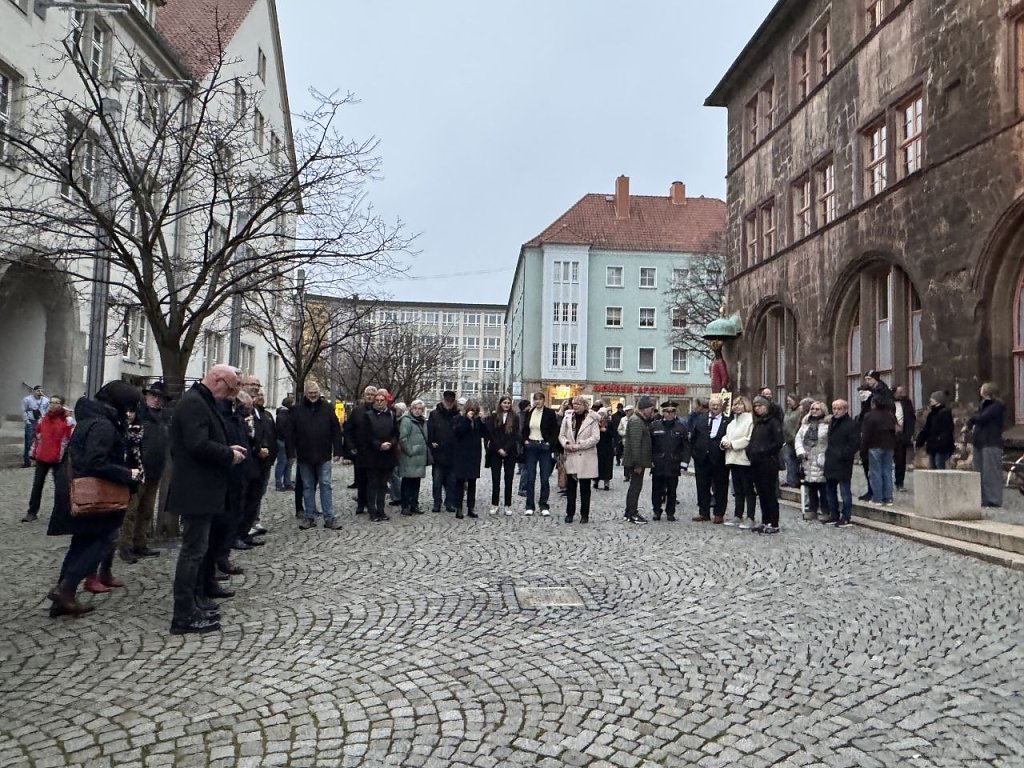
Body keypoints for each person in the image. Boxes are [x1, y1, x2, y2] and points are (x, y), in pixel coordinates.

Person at [46, 381, 140, 617]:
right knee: (102, 540)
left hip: (79, 488)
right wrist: (128, 473)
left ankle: (63, 595)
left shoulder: (91, 418)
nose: (129, 413)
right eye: (129, 407)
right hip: (94, 494)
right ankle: (65, 590)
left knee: (81, 542)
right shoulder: (103, 425)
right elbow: (95, 462)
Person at [168, 364, 246, 635]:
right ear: (218, 380)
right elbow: (197, 444)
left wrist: (226, 448)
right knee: (192, 552)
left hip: (202, 489)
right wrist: (228, 455)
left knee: (198, 551)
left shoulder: (201, 401)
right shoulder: (194, 403)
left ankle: (193, 603)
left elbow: (204, 440)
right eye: (231, 389)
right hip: (195, 490)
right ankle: (183, 614)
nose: (231, 395)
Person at [117, 382, 169, 562]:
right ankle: (125, 546)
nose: (156, 399)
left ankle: (140, 543)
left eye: (160, 397)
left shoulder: (163, 419)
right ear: (146, 396)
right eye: (153, 395)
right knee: (131, 511)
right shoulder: (137, 417)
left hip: (155, 471)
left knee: (146, 510)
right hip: (137, 471)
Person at [294, 380, 344, 530]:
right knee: (308, 486)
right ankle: (310, 517)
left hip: (324, 454)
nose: (313, 395)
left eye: (315, 393)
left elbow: (336, 430)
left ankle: (329, 518)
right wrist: (292, 451)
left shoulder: (327, 408)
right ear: (305, 393)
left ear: (319, 393)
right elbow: (291, 431)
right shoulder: (297, 410)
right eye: (310, 393)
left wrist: (338, 450)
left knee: (325, 485)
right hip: (304, 454)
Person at [22, 394, 73, 523]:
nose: (52, 405)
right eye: (51, 402)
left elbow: (70, 439)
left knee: (61, 488)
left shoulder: (68, 421)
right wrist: (33, 453)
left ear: (62, 405)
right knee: (37, 485)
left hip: (59, 459)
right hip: (42, 457)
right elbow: (37, 437)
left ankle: (61, 514)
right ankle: (32, 512)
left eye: (56, 402)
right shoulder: (42, 420)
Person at [558, 396, 601, 523]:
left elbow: (595, 438)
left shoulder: (592, 418)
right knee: (571, 487)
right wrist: (566, 443)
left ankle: (584, 514)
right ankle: (570, 513)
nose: (575, 406)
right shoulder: (568, 417)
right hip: (571, 455)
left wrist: (580, 445)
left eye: (578, 404)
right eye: (574, 403)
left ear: (584, 405)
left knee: (585, 488)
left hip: (585, 456)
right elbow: (561, 434)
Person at [361, 388, 399, 522]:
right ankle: (372, 511)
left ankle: (381, 510)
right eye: (376, 400)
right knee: (372, 485)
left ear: (385, 401)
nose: (378, 402)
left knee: (383, 485)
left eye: (381, 400)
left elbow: (396, 433)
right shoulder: (368, 416)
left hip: (387, 456)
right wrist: (379, 445)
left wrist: (391, 443)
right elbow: (366, 436)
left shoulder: (391, 415)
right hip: (373, 455)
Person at [690, 395, 731, 522]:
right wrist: (695, 453)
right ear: (709, 406)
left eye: (717, 405)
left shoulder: (727, 421)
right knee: (702, 486)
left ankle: (719, 513)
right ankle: (704, 513)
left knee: (720, 487)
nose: (715, 407)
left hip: (719, 459)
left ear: (721, 406)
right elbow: (693, 437)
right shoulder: (700, 419)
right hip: (702, 459)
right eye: (713, 405)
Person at [649, 401, 691, 522]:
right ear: (663, 412)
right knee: (657, 490)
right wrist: (649, 460)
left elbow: (686, 447)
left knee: (672, 490)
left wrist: (684, 463)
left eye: (672, 411)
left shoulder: (681, 427)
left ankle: (670, 512)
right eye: (667, 411)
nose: (670, 414)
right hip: (658, 463)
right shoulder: (654, 426)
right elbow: (649, 445)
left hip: (674, 463)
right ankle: (657, 511)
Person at [748, 396, 784, 533]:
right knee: (761, 493)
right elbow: (753, 440)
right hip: (756, 462)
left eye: (760, 406)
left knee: (770, 493)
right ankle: (765, 520)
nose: (757, 408)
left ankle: (774, 522)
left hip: (769, 462)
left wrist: (763, 451)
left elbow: (778, 442)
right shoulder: (759, 422)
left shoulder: (773, 422)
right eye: (755, 406)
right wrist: (750, 451)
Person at [857, 370, 895, 500]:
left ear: (876, 379)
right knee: (872, 467)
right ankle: (874, 491)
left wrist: (872, 396)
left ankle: (879, 494)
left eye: (869, 379)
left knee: (879, 468)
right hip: (870, 426)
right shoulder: (867, 390)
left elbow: (887, 405)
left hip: (878, 431)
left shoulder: (883, 391)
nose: (867, 381)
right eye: (866, 379)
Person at [520, 391, 560, 516]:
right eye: (535, 399)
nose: (537, 401)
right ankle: (529, 505)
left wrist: (549, 443)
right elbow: (525, 428)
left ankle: (543, 505)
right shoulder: (529, 412)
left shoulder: (550, 413)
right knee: (530, 477)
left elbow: (555, 430)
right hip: (531, 446)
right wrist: (525, 440)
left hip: (544, 447)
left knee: (544, 478)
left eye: (540, 399)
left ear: (544, 400)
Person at [966, 382, 1005, 508]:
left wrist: (971, 420)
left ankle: (993, 499)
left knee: (991, 472)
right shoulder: (983, 405)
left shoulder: (996, 406)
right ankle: (982, 498)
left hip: (991, 442)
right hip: (980, 442)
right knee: (979, 472)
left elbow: (982, 418)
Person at [823, 399, 861, 527]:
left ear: (845, 409)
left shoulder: (851, 424)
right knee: (830, 490)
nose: (836, 411)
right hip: (831, 461)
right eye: (834, 408)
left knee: (845, 490)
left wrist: (843, 454)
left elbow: (855, 443)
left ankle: (846, 517)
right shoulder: (832, 422)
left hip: (843, 462)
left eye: (839, 408)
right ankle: (834, 515)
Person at [721, 395, 755, 528]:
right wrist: (724, 442)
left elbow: (748, 439)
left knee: (748, 489)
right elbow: (726, 435)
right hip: (733, 459)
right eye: (735, 404)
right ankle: (738, 515)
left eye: (740, 404)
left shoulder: (750, 420)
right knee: (738, 490)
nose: (737, 406)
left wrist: (733, 444)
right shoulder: (732, 423)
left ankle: (750, 517)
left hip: (744, 459)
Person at [622, 396, 656, 525]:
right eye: (651, 409)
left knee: (635, 486)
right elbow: (635, 444)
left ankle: (629, 512)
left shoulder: (638, 420)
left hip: (638, 461)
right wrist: (637, 464)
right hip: (637, 462)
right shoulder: (636, 421)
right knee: (635, 487)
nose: (652, 411)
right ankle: (632, 513)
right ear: (644, 408)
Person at [483, 395, 520, 515]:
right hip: (495, 450)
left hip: (510, 451)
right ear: (500, 404)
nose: (506, 405)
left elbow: (515, 435)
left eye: (508, 403)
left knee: (509, 479)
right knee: (496, 479)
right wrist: (499, 448)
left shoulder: (515, 417)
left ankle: (507, 505)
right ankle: (495, 504)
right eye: (504, 403)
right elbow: (491, 434)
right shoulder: (494, 417)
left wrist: (506, 448)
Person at [795, 401, 830, 521]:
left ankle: (826, 511)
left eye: (817, 409)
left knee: (823, 487)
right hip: (807, 458)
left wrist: (824, 455)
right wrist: (800, 451)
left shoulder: (827, 425)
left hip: (821, 458)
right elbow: (798, 439)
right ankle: (812, 509)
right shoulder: (805, 424)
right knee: (811, 486)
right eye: (812, 409)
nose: (814, 411)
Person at [345, 385, 378, 513]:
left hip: (375, 451)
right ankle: (361, 503)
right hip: (360, 451)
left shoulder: (379, 411)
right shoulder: (357, 411)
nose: (370, 397)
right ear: (364, 396)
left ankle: (371, 503)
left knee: (372, 480)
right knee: (361, 479)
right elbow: (348, 430)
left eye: (372, 395)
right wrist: (351, 446)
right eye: (368, 394)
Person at [861, 398, 897, 505]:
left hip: (874, 445)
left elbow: (866, 434)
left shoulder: (869, 416)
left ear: (873, 404)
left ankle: (877, 498)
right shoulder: (890, 416)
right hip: (889, 445)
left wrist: (863, 448)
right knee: (887, 471)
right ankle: (888, 497)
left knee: (875, 472)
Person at [452, 398, 484, 519]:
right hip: (461, 454)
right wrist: (467, 419)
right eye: (471, 410)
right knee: (460, 482)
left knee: (472, 482)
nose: (473, 412)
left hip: (474, 454)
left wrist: (482, 421)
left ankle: (471, 507)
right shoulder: (458, 419)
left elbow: (485, 433)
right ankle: (459, 508)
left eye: (475, 410)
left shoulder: (477, 421)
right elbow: (458, 432)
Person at [428, 390, 459, 513]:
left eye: (451, 401)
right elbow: (430, 431)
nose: (448, 403)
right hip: (438, 452)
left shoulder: (457, 414)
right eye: (447, 401)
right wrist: (431, 443)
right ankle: (437, 503)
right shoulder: (434, 414)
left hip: (453, 453)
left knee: (451, 482)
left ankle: (449, 503)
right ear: (443, 400)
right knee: (437, 481)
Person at [398, 399, 430, 515]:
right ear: (411, 409)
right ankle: (405, 506)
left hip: (420, 457)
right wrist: (410, 451)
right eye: (415, 408)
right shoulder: (406, 420)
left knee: (416, 482)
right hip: (410, 457)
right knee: (407, 482)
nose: (417, 411)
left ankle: (414, 505)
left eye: (420, 409)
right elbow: (403, 438)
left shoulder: (422, 421)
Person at [916, 391, 955, 469]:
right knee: (933, 468)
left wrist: (941, 442)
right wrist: (919, 441)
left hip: (941, 448)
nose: (930, 400)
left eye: (933, 398)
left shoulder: (945, 413)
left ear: (938, 401)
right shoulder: (932, 414)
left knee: (939, 466)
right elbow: (926, 429)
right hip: (932, 446)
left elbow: (947, 431)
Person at [893, 386, 916, 493]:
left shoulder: (907, 403)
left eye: (903, 392)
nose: (902, 394)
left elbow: (911, 418)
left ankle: (899, 482)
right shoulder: (888, 402)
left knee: (900, 460)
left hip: (902, 435)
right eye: (900, 392)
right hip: (889, 435)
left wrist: (909, 433)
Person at [22, 384, 49, 468]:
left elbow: (48, 410)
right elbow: (24, 410)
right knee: (29, 442)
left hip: (41, 422)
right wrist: (27, 421)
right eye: (38, 391)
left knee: (40, 441)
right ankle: (27, 461)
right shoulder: (27, 399)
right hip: (31, 421)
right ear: (33, 391)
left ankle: (38, 461)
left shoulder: (46, 400)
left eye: (41, 391)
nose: (40, 392)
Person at [781, 395, 804, 488]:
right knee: (789, 461)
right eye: (787, 401)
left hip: (796, 439)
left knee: (797, 461)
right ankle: (791, 480)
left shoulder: (800, 411)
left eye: (790, 400)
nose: (788, 402)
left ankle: (797, 480)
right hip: (788, 440)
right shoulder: (788, 411)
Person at [388, 401, 407, 506]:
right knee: (393, 474)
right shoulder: (395, 419)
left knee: (394, 474)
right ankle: (396, 495)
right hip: (394, 449)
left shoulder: (402, 421)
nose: (395, 411)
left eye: (397, 409)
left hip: (398, 450)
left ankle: (397, 496)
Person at [274, 396, 296, 491]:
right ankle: (279, 483)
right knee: (283, 462)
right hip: (283, 441)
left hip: (288, 441)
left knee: (288, 463)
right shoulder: (283, 414)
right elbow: (282, 430)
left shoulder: (287, 414)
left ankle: (287, 482)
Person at [593, 408, 614, 491]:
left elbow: (613, 434)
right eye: (600, 414)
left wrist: (606, 431)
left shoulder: (609, 423)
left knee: (607, 466)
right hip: (597, 447)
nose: (601, 415)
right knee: (597, 465)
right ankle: (596, 481)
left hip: (607, 448)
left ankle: (606, 483)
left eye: (603, 414)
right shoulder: (595, 423)